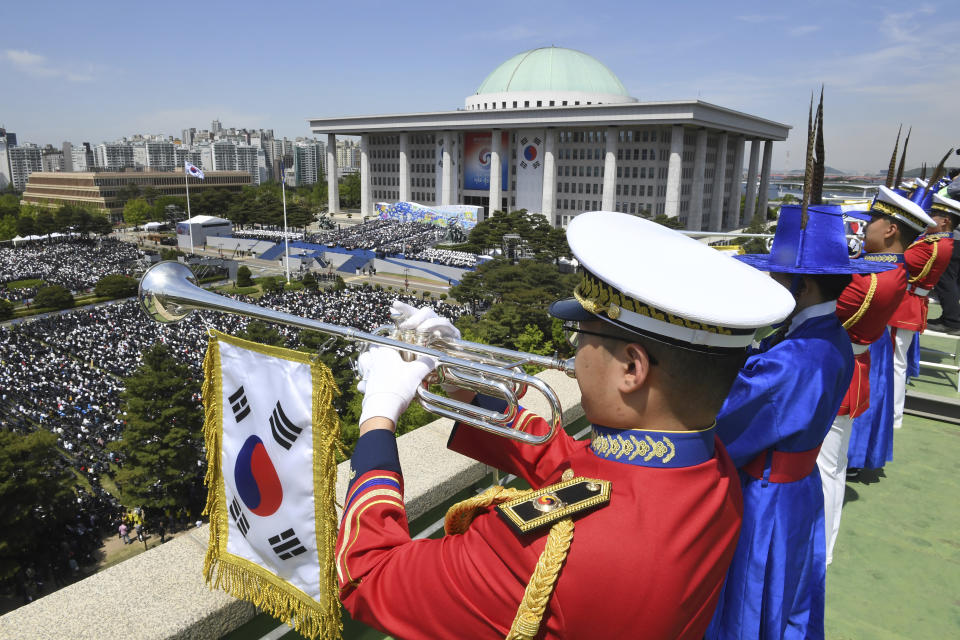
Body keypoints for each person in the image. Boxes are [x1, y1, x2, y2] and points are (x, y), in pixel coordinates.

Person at [336, 211, 794, 639]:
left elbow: (368, 576)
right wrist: (455, 376)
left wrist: (378, 413)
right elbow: (577, 471)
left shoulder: (545, 547)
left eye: (583, 338)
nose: (574, 354)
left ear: (632, 368)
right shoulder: (711, 469)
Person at [707, 202, 896, 640]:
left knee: (750, 598)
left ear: (802, 285)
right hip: (798, 489)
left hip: (765, 497)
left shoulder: (793, 359)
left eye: (778, 276)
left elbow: (728, 425)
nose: (771, 283)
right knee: (788, 595)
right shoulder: (828, 336)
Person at [818, 191, 921, 565]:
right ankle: (823, 546)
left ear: (890, 229)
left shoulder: (871, 280)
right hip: (852, 369)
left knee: (823, 469)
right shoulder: (888, 269)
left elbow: (818, 313)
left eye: (873, 221)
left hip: (834, 372)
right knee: (834, 466)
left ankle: (820, 552)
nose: (866, 227)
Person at [887, 181, 951, 429]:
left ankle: (891, 417)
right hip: (910, 303)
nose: (928, 217)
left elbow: (900, 259)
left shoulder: (934, 245)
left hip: (905, 306)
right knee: (896, 362)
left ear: (945, 221)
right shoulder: (934, 241)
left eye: (933, 214)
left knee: (894, 364)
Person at [923, 193, 960, 333]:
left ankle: (952, 321)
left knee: (946, 280)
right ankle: (952, 317)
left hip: (955, 237)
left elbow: (953, 188)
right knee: (953, 281)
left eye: (934, 215)